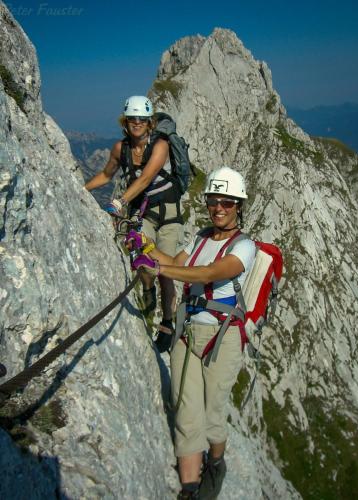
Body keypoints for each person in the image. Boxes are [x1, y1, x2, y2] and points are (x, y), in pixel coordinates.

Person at [132, 166, 255, 499]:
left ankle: (216, 463)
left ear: (238, 206)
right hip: (188, 333)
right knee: (186, 408)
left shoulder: (245, 247)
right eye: (214, 200)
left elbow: (209, 272)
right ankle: (189, 488)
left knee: (213, 415)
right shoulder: (201, 238)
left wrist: (158, 268)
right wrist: (143, 245)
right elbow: (174, 260)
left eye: (227, 202)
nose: (218, 207)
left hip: (222, 338)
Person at [85, 96, 183, 351]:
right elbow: (107, 174)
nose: (136, 123)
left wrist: (119, 201)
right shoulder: (120, 148)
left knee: (166, 270)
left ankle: (167, 321)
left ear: (149, 122)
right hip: (145, 213)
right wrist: (80, 188)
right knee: (145, 261)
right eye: (132, 118)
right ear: (125, 121)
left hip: (169, 213)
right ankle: (148, 290)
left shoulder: (160, 145)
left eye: (141, 119)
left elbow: (146, 178)